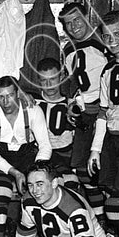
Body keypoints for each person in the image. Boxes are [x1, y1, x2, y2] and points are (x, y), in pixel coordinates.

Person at [0, 75, 52, 237]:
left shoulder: (33, 110)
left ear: (18, 93)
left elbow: (45, 146)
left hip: (28, 157)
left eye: (10, 95)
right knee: (0, 189)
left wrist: (34, 173)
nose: (6, 101)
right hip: (0, 160)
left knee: (36, 189)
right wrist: (15, 173)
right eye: (1, 97)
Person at [59, 2, 108, 223]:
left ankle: (109, 223)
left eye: (77, 19)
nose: (73, 26)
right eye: (68, 23)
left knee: (105, 173)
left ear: (88, 17)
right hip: (84, 114)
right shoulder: (68, 49)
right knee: (82, 170)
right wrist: (72, 104)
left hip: (103, 112)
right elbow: (74, 83)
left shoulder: (104, 42)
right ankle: (99, 220)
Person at [87, 10, 119, 237]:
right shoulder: (107, 70)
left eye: (117, 34)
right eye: (106, 36)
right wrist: (96, 149)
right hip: (111, 138)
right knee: (108, 193)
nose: (112, 40)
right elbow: (103, 113)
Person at [34, 57, 80, 190]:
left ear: (61, 77)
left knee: (70, 182)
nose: (49, 85)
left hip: (64, 155)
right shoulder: (32, 102)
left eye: (53, 79)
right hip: (39, 155)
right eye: (44, 80)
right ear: (38, 81)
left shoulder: (71, 104)